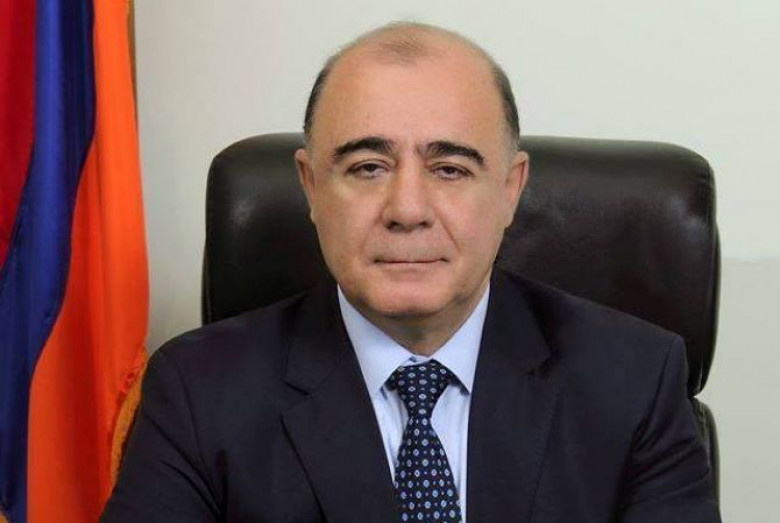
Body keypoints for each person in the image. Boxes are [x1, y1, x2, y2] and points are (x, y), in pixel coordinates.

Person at [101, 22, 721, 522]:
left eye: (450, 169)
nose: (407, 210)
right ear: (311, 187)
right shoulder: (197, 392)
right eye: (367, 167)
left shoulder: (633, 382)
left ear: (510, 190)